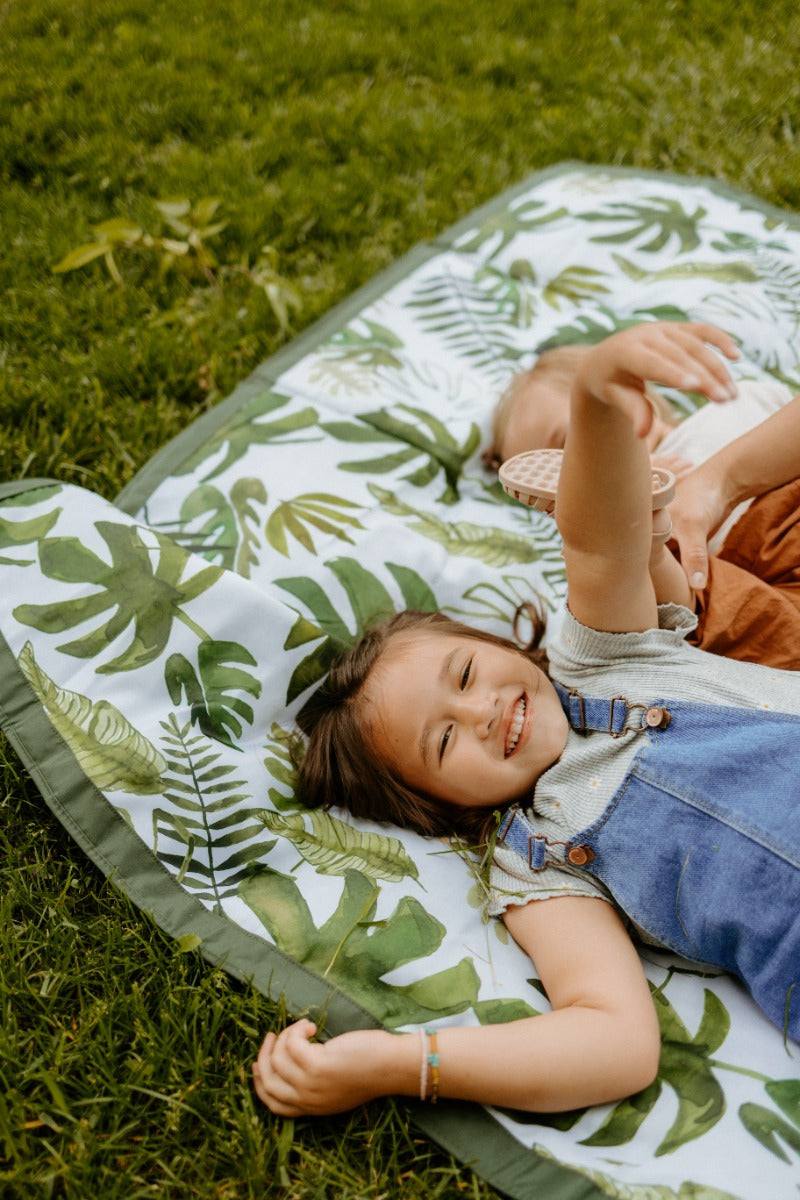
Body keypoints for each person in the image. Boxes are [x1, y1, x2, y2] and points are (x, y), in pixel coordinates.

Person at [253, 323, 800, 1120]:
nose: (480, 712)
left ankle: (656, 529)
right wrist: (400, 1063)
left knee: (640, 548)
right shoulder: (536, 861)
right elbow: (614, 1044)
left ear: (509, 646)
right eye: (443, 741)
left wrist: (599, 390)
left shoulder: (601, 662)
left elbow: (596, 545)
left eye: (467, 673)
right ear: (440, 804)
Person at [486, 339, 800, 670]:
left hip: (785, 504)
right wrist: (632, 514)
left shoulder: (738, 403)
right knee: (711, 617)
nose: (576, 478)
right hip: (752, 580)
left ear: (632, 395)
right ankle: (640, 530)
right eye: (558, 482)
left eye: (569, 444)